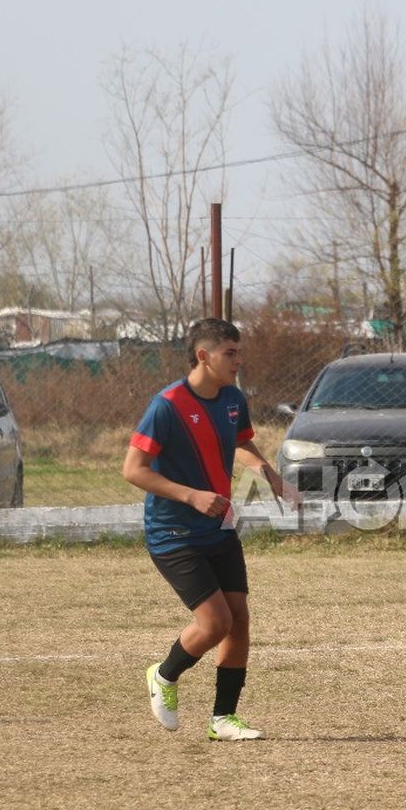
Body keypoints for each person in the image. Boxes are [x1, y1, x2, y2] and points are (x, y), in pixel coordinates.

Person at [123, 317, 302, 742]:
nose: (239, 360)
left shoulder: (233, 399)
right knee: (215, 621)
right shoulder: (166, 406)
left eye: (239, 352)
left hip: (218, 527)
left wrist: (270, 475)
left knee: (238, 620)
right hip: (173, 532)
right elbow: (133, 470)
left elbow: (240, 442)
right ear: (204, 356)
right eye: (230, 353)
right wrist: (190, 496)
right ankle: (164, 676)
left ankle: (223, 719)